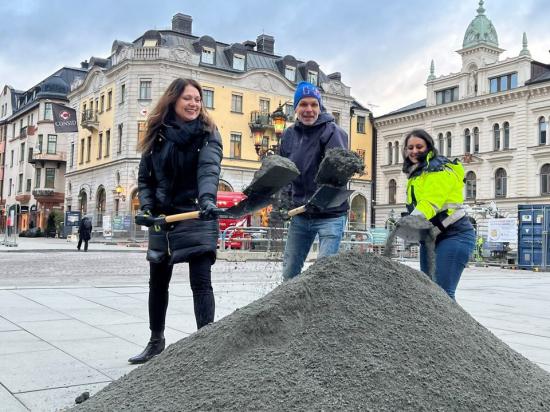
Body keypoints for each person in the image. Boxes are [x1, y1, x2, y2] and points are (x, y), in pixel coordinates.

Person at [129, 78, 223, 364]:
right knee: (157, 282)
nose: (194, 103)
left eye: (198, 99)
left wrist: (208, 200)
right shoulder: (157, 135)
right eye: (188, 98)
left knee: (201, 282)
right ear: (173, 100)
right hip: (164, 216)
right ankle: (156, 341)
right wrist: (146, 206)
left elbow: (208, 169)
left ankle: (206, 345)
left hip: (197, 211)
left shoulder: (208, 133)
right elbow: (145, 178)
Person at [279, 81, 349, 281]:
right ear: (296, 108)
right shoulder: (289, 135)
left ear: (320, 106)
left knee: (323, 275)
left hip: (330, 214)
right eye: (303, 104)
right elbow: (284, 172)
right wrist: (284, 199)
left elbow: (337, 174)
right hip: (301, 215)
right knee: (290, 270)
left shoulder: (333, 132)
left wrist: (319, 199)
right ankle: (289, 309)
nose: (309, 110)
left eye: (313, 104)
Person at [401, 129, 475, 299]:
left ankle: (456, 327)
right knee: (429, 295)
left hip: (455, 235)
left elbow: (430, 202)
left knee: (443, 295)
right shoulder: (417, 174)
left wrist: (411, 220)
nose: (414, 151)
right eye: (410, 147)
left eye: (419, 146)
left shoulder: (439, 169)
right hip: (430, 238)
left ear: (429, 147)